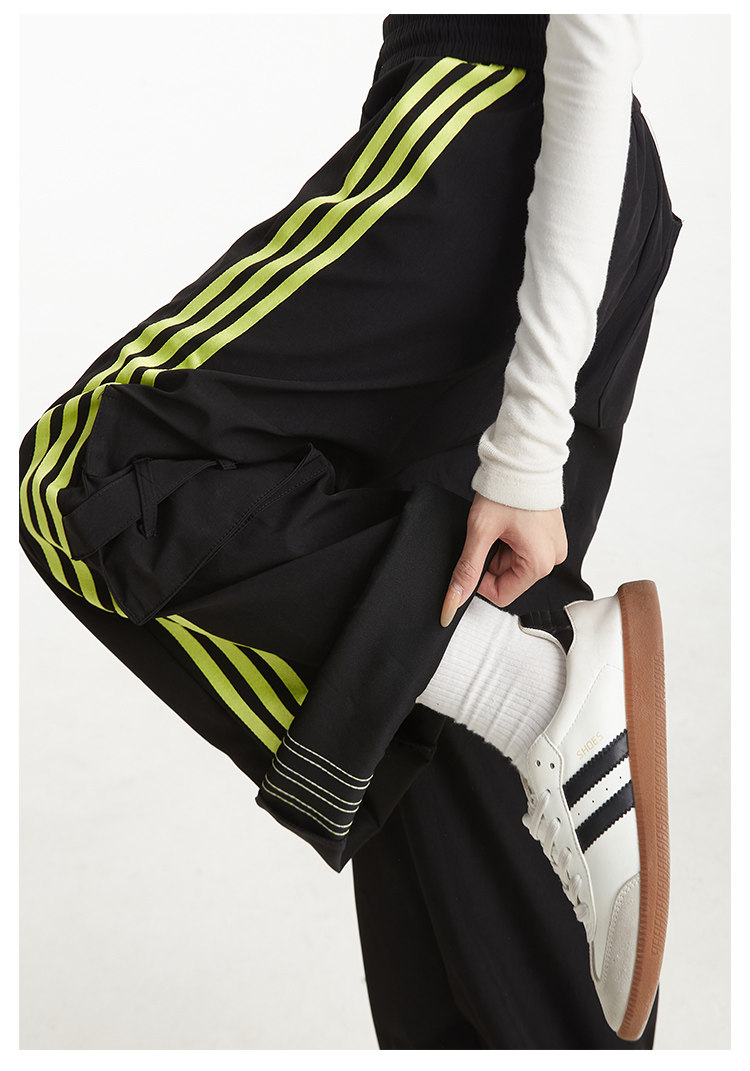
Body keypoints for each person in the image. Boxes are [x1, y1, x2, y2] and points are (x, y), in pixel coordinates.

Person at [19, 13, 682, 1050]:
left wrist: (525, 444)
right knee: (447, 688)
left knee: (89, 476)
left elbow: (594, 26)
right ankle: (530, 696)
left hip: (507, 133)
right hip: (563, 176)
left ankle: (531, 689)